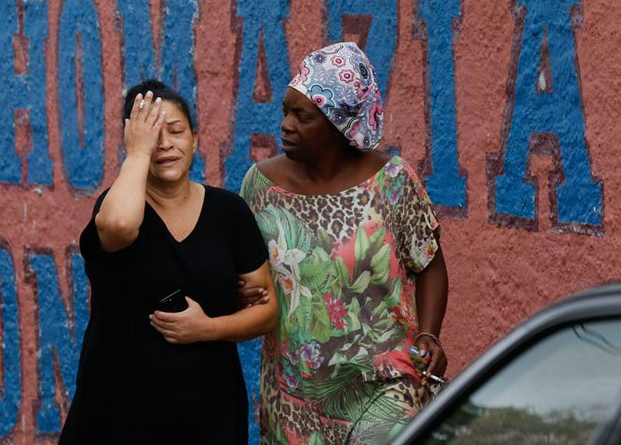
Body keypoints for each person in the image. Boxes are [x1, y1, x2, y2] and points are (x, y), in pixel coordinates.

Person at [239, 42, 449, 445]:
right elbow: (245, 272)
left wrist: (429, 334)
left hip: (384, 389)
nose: (286, 125)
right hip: (294, 399)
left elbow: (430, 264)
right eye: (285, 111)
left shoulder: (392, 182)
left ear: (340, 125)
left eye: (302, 116)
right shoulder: (259, 187)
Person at [60, 80, 277, 445]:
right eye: (150, 136)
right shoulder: (117, 208)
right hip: (119, 411)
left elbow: (267, 311)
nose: (165, 144)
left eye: (175, 131)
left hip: (208, 412)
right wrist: (138, 155)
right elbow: (120, 226)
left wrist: (208, 328)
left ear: (195, 138)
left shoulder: (229, 213)